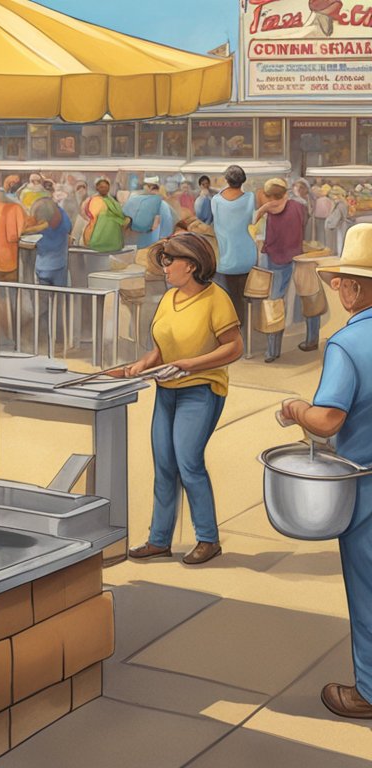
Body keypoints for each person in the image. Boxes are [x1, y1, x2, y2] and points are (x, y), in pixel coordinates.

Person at [278, 227, 372, 718]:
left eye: (340, 283)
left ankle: (370, 693)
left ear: (355, 287)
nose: (338, 290)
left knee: (369, 588)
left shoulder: (348, 344)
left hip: (367, 486)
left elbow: (327, 419)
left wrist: (295, 408)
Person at [123, 232, 242, 565]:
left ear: (190, 265)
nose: (164, 268)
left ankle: (208, 538)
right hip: (167, 390)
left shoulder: (216, 299)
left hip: (201, 389)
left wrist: (191, 364)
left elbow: (234, 347)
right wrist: (145, 363)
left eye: (169, 261)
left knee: (189, 463)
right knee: (164, 464)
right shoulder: (168, 299)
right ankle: (159, 540)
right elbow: (162, 347)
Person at [256, 178, 318, 363]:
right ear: (285, 192)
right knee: (309, 296)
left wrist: (261, 210)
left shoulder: (267, 211)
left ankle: (272, 351)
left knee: (275, 302)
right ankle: (312, 339)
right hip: (299, 256)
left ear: (268, 195)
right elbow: (304, 226)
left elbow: (254, 226)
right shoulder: (299, 206)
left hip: (275, 258)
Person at [210, 165, 260, 334]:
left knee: (229, 299)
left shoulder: (216, 200)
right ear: (243, 181)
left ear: (226, 180)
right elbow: (252, 221)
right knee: (244, 296)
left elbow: (216, 223)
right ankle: (243, 331)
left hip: (225, 257)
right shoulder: (250, 198)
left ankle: (233, 333)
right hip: (246, 255)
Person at [124, 177, 175, 250]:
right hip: (153, 246)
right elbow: (167, 229)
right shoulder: (162, 204)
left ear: (149, 188)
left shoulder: (135, 201)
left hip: (144, 245)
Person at [83, 177, 128, 252]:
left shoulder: (112, 200)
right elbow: (93, 214)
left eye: (106, 187)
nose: (104, 189)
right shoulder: (95, 199)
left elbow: (119, 212)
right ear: (97, 188)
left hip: (114, 232)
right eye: (101, 187)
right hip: (99, 229)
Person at [329, 185, 353, 254]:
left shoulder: (339, 205)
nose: (332, 197)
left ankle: (341, 256)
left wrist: (331, 225)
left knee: (341, 241)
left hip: (341, 225)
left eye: (334, 195)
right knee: (343, 240)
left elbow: (337, 217)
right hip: (344, 224)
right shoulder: (344, 203)